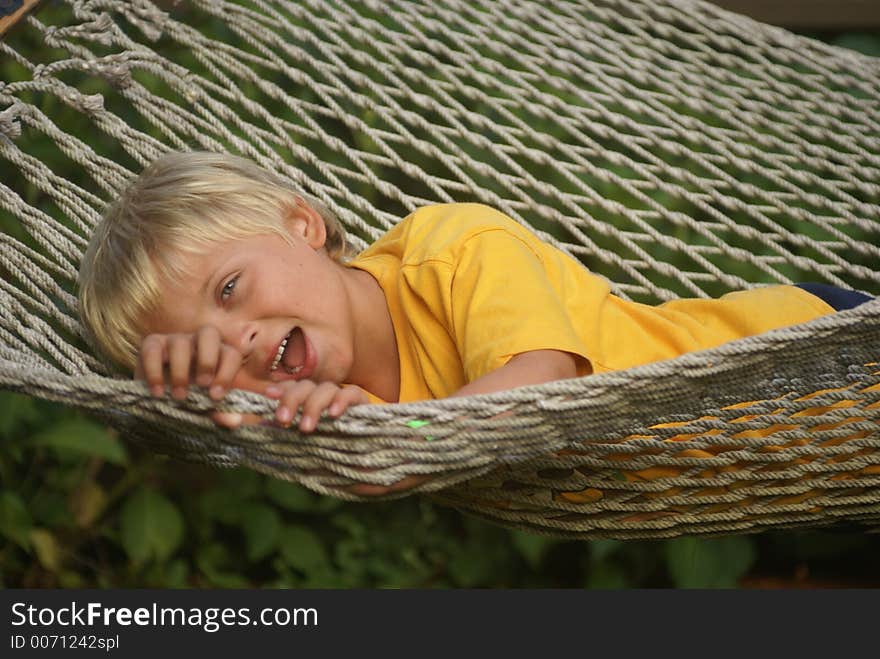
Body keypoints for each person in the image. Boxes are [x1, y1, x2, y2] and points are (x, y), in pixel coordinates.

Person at [78, 151, 870, 437]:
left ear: (304, 224)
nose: (239, 337)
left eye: (231, 288)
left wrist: (394, 438)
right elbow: (219, 430)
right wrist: (187, 382)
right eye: (215, 346)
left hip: (815, 358)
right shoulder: (323, 410)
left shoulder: (450, 251)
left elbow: (546, 381)